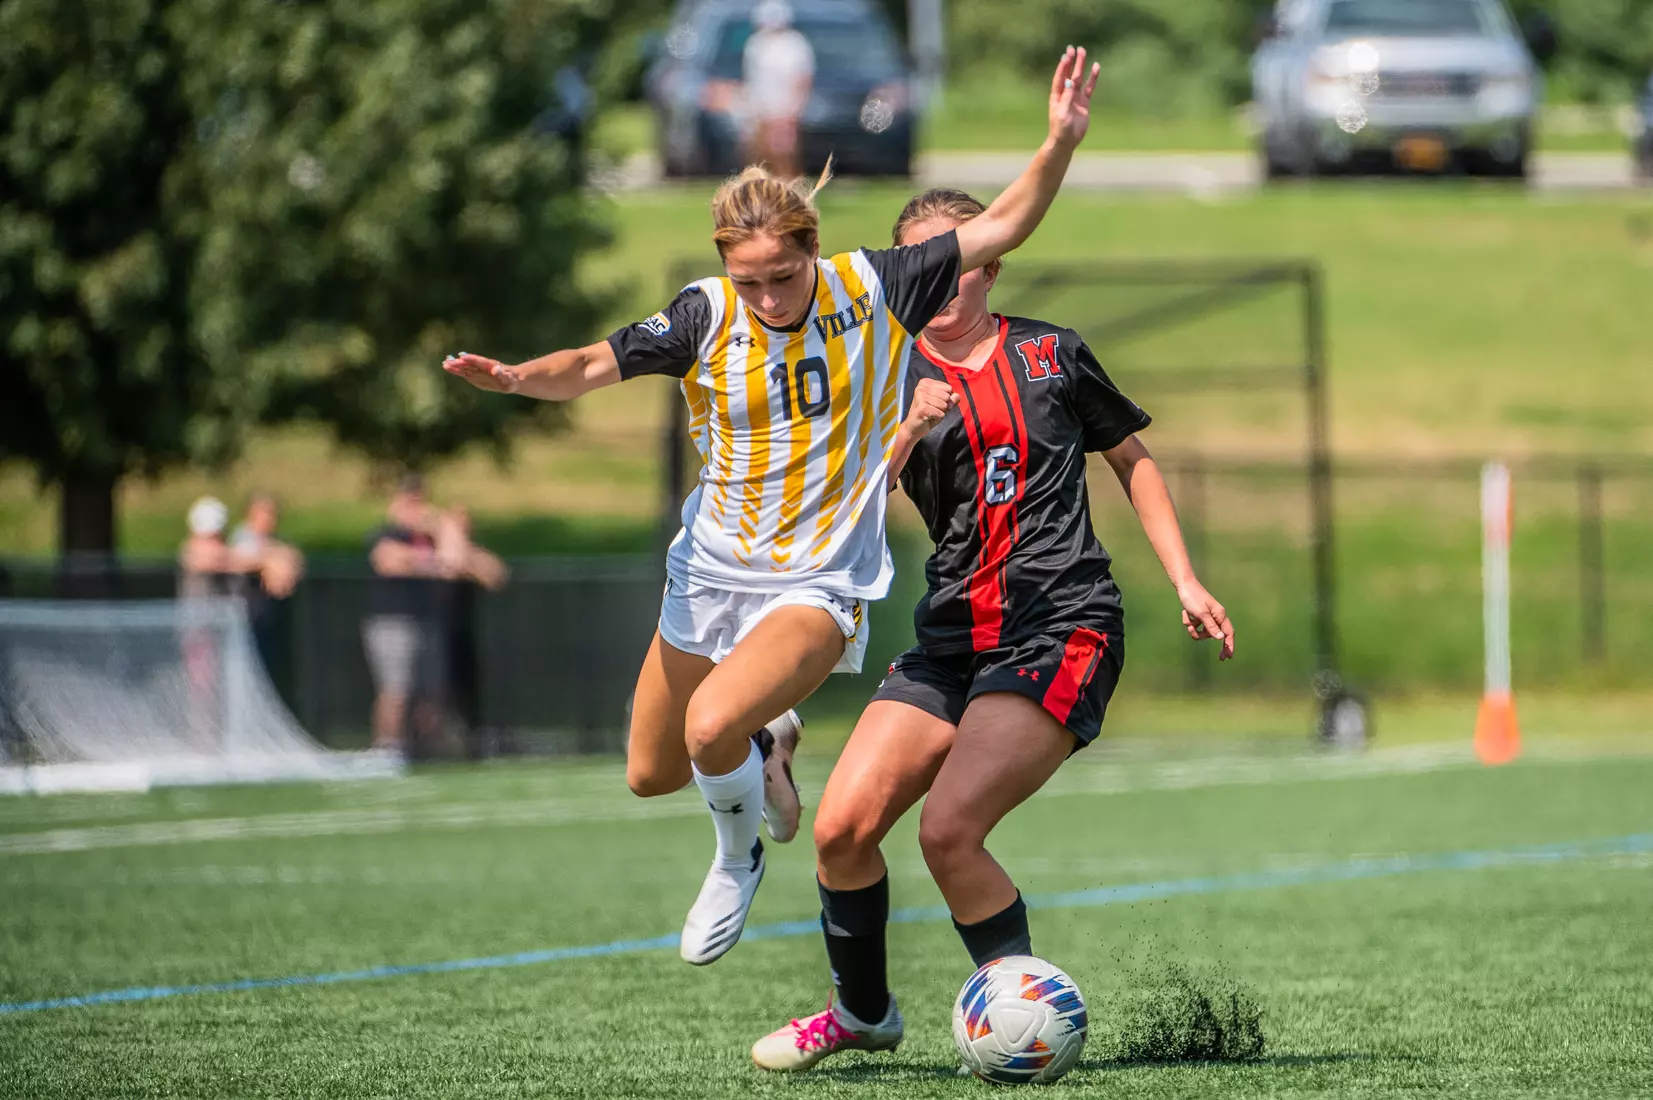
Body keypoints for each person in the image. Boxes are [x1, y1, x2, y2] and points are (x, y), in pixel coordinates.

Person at [444, 46, 1104, 967]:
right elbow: (593, 364)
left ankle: (736, 853)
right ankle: (770, 748)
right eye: (747, 281)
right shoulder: (705, 314)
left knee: (709, 727)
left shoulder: (873, 284)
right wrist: (520, 377)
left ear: (811, 252)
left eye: (780, 279)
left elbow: (1001, 225)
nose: (765, 298)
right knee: (652, 771)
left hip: (819, 576)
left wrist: (1059, 142)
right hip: (712, 568)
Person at [750, 188, 1235, 1069]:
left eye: (958, 258)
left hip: (1060, 625)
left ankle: (1027, 1023)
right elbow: (844, 508)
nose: (942, 279)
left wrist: (1185, 578)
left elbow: (1131, 457)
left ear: (990, 262)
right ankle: (861, 1013)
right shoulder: (885, 376)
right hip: (950, 638)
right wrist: (904, 430)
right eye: (921, 264)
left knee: (947, 831)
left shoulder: (1050, 352)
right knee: (841, 832)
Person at [741, 0, 815, 178]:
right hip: (762, 111)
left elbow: (801, 80)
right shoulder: (755, 44)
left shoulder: (794, 44)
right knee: (758, 157)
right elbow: (752, 80)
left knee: (785, 155)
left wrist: (793, 110)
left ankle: (789, 193)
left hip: (785, 111)